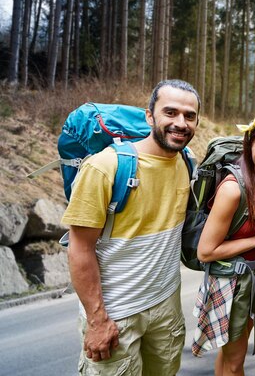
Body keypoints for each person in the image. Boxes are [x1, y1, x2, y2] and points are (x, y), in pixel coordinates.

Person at [62, 79, 200, 375]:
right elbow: (80, 248)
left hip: (166, 308)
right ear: (149, 116)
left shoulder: (186, 163)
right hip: (116, 315)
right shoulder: (105, 167)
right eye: (170, 112)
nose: (180, 123)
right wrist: (97, 321)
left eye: (189, 116)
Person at [194, 114, 255, 375]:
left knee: (229, 355)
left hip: (250, 279)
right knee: (235, 362)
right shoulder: (233, 188)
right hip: (231, 283)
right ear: (249, 147)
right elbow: (206, 251)